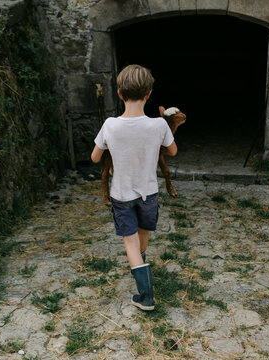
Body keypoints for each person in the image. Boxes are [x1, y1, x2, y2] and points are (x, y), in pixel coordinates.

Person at [90, 64, 177, 311]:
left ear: (119, 94)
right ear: (149, 94)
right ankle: (139, 264)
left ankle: (146, 295)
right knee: (143, 233)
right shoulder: (159, 126)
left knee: (130, 241)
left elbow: (96, 158)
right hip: (149, 193)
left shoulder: (110, 125)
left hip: (122, 195)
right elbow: (173, 151)